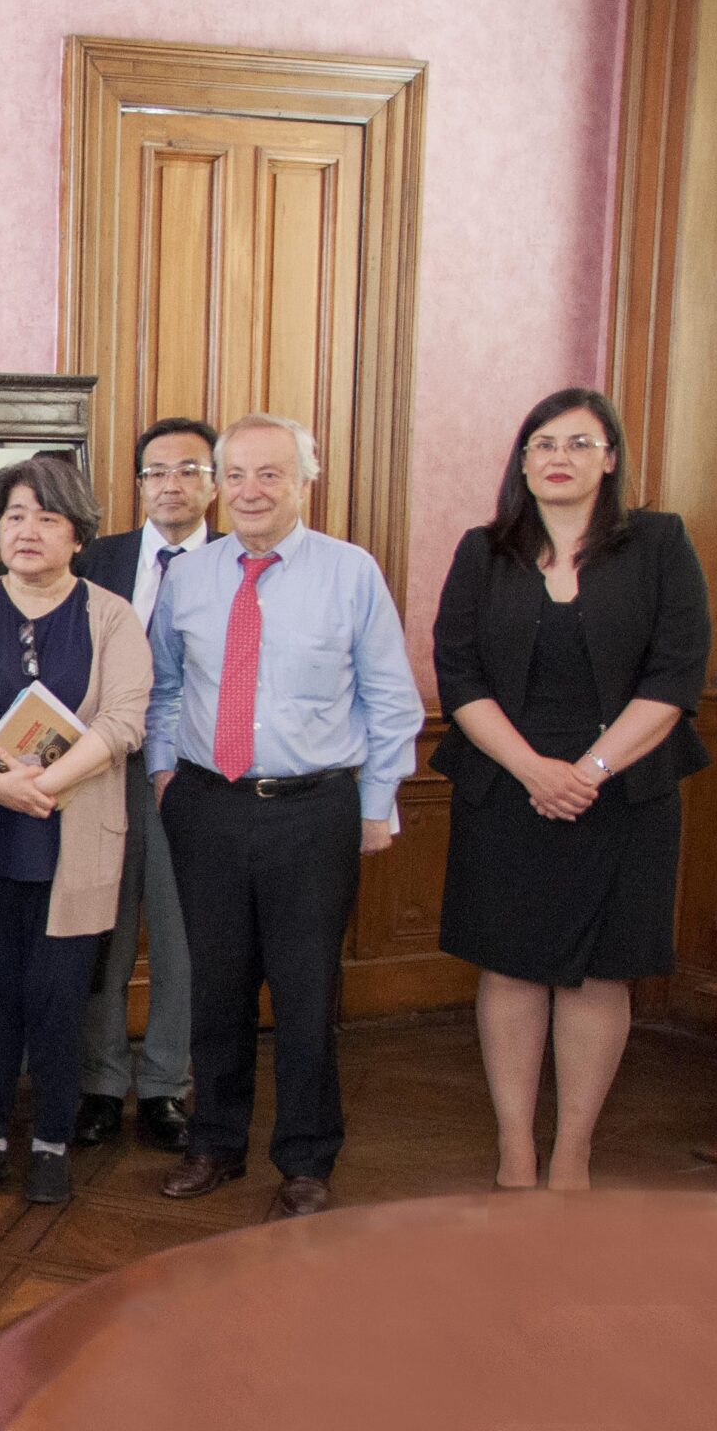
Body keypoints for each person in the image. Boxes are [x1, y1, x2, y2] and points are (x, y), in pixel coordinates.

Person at [145, 414, 424, 1216]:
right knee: (215, 988)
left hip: (313, 810)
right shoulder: (190, 577)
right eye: (236, 475)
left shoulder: (350, 572)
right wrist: (164, 775)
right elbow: (165, 686)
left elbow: (391, 698)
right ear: (218, 485)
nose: (251, 491)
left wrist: (377, 803)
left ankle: (305, 1158)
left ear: (305, 481)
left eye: (270, 474)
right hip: (207, 806)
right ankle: (214, 1143)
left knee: (307, 994)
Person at [432, 388, 709, 1191]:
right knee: (510, 966)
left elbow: (674, 676)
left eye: (580, 443)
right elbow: (460, 675)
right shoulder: (483, 552)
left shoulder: (660, 543)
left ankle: (573, 1150)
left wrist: (587, 773)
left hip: (625, 791)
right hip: (506, 787)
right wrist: (533, 769)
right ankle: (516, 1145)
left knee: (601, 970)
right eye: (543, 444)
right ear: (523, 462)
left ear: (610, 458)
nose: (559, 457)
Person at [0, 458, 151, 1203]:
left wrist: (43, 784)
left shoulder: (112, 617)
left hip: (69, 836)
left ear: (78, 535)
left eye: (48, 518)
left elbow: (122, 722)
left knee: (59, 1003)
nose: (27, 531)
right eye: (15, 515)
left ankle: (52, 1142)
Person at [69, 418, 216, 1151]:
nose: (171, 485)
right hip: (98, 770)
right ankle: (99, 1083)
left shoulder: (235, 563)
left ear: (213, 484)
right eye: (157, 472)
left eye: (190, 470)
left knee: (180, 935)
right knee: (104, 928)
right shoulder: (99, 558)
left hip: (192, 776)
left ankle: (164, 1085)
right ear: (138, 484)